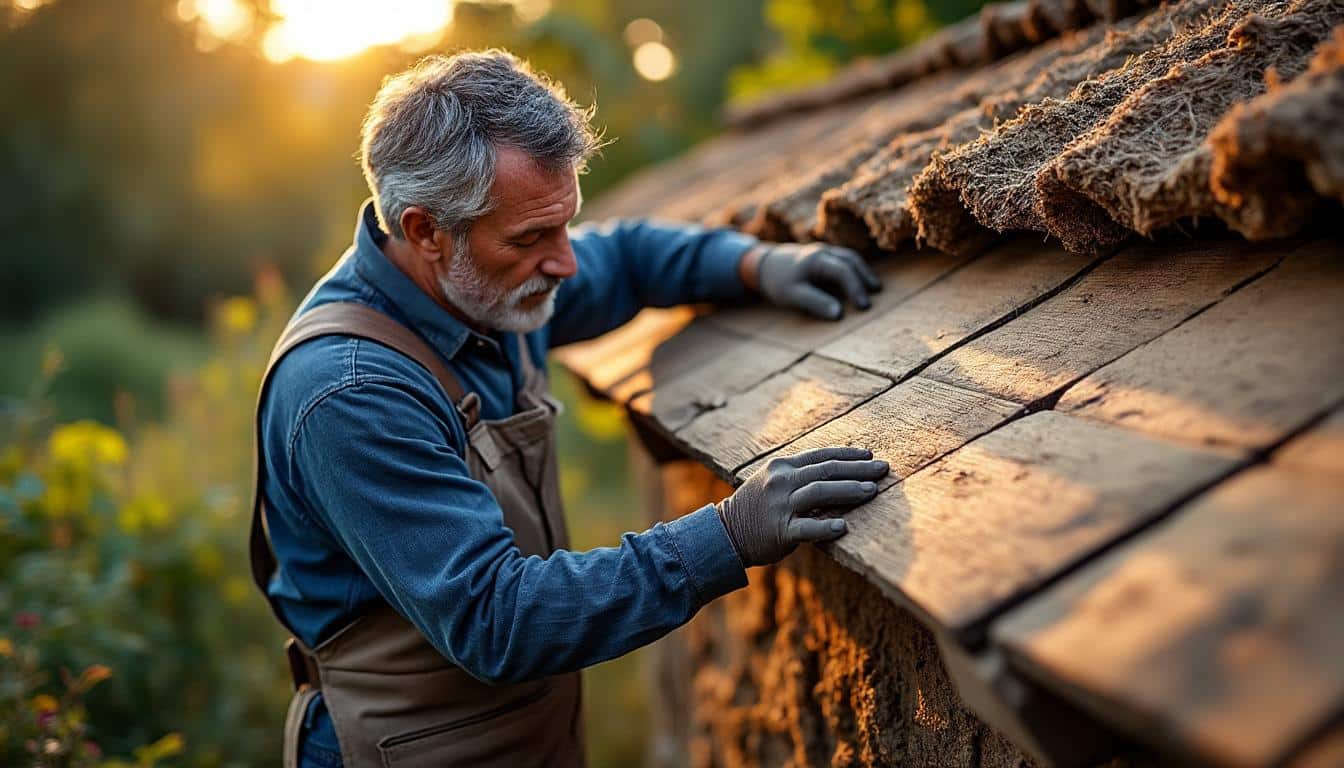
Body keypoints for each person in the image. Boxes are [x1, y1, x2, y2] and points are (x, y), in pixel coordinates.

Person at [250, 49, 891, 768]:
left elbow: (628, 256)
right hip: (402, 747)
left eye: (564, 225)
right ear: (426, 231)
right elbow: (497, 619)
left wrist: (756, 264)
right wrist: (728, 535)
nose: (566, 262)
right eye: (531, 238)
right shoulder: (352, 394)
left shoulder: (484, 284)